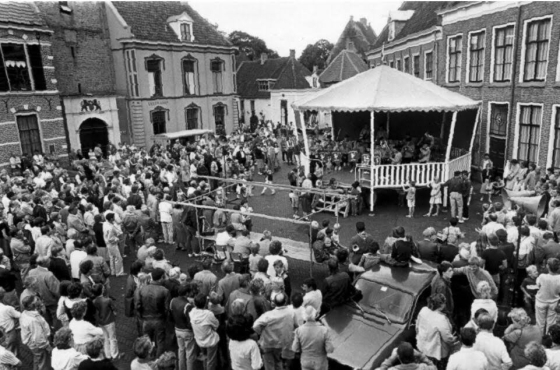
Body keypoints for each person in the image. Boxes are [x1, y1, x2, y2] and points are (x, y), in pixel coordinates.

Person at [253, 292, 298, 370]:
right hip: (281, 344)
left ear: (274, 303)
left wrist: (260, 332)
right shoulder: (291, 313)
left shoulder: (268, 315)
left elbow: (255, 326)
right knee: (278, 362)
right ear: (285, 301)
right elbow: (296, 326)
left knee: (269, 365)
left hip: (268, 344)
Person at [135, 268, 170, 357]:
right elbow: (166, 309)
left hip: (146, 320)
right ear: (161, 277)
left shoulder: (142, 289)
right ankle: (158, 362)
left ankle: (149, 359)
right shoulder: (164, 291)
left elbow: (138, 306)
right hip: (159, 319)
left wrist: (142, 317)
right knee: (160, 342)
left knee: (147, 342)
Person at [415, 293, 457, 368]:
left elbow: (417, 327)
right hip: (435, 354)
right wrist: (453, 340)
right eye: (445, 303)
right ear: (441, 305)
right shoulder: (441, 319)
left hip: (422, 348)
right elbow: (447, 338)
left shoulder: (423, 310)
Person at [292, 306, 333, 370]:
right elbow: (330, 349)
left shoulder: (299, 330)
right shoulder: (324, 330)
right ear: (315, 315)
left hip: (306, 362)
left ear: (304, 316)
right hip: (320, 362)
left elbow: (295, 348)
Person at [189, 293, 219, 370]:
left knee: (205, 357)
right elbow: (216, 324)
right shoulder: (208, 314)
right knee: (211, 361)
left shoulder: (192, 312)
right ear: (205, 303)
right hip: (210, 341)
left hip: (199, 340)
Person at [92, 284, 119, 361]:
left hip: (100, 323)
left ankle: (108, 355)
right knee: (113, 338)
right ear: (102, 290)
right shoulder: (108, 300)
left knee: (105, 339)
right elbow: (115, 309)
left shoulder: (93, 301)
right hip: (109, 321)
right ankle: (115, 355)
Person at [535, 258, 560, 334]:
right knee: (551, 323)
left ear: (548, 267)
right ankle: (549, 339)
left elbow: (537, 285)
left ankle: (539, 338)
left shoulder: (542, 276)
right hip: (553, 302)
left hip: (541, 301)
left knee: (540, 323)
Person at [0, 287, 21, 356]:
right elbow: (19, 315)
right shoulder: (7, 309)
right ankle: (13, 364)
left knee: (10, 348)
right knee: (11, 351)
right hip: (10, 332)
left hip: (2, 331)